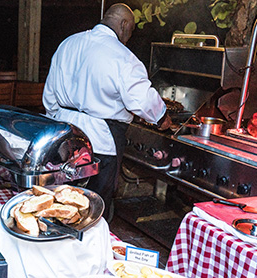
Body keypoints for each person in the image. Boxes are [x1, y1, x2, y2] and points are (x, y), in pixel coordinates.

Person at [42, 3, 171, 221]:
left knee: (60, 201)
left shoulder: (68, 44)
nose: (128, 37)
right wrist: (162, 118)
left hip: (64, 135)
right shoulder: (123, 56)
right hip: (100, 140)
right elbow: (141, 98)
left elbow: (49, 96)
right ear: (123, 25)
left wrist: (59, 123)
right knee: (92, 208)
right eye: (130, 31)